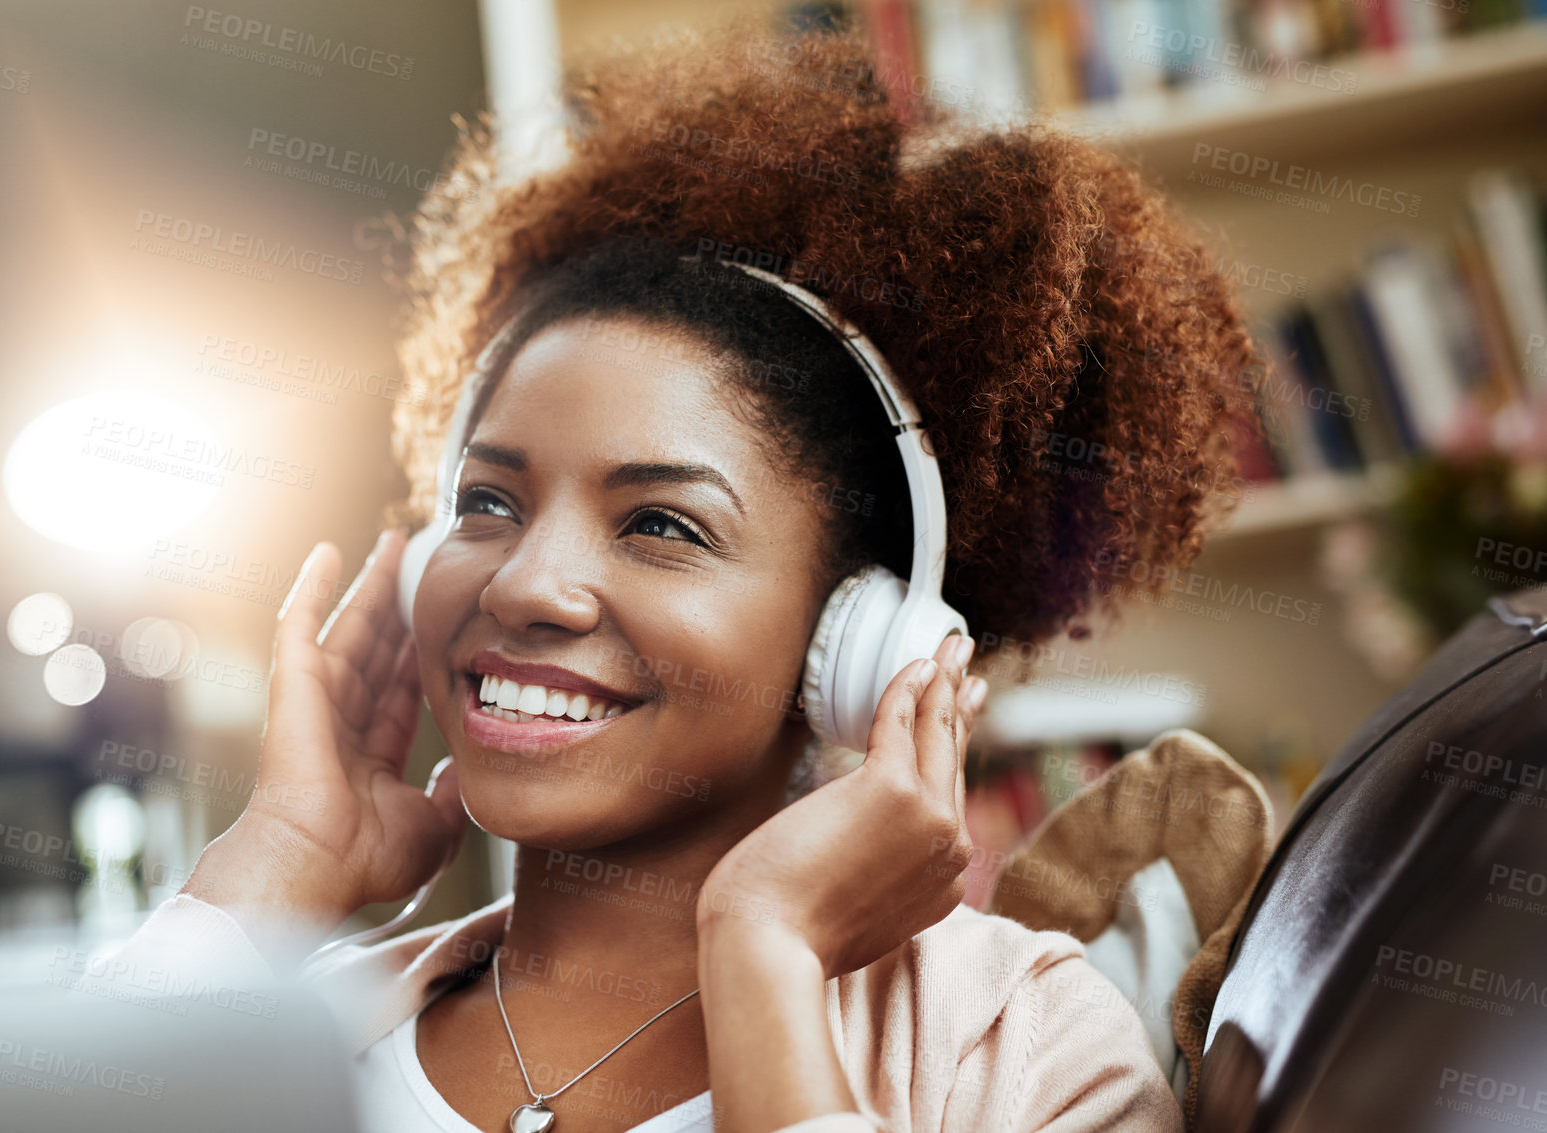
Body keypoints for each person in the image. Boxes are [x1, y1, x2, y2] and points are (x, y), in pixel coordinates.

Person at [113, 17, 1256, 1133]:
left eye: (661, 523)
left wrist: (764, 952)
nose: (524, 583)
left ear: (858, 635)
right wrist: (277, 868)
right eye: (487, 502)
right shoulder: (275, 1038)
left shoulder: (1026, 1045)